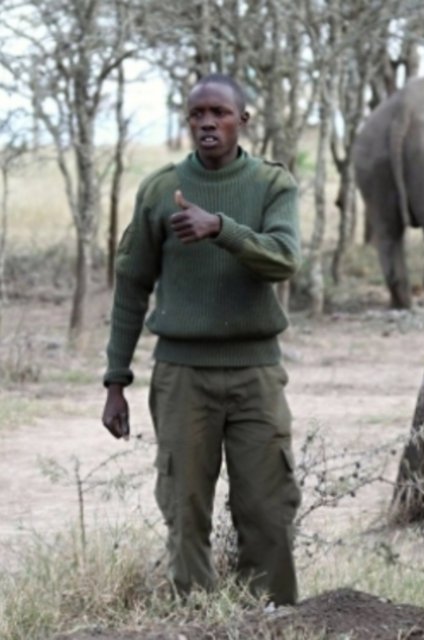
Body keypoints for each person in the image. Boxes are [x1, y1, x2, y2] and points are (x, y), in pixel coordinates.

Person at [100, 73, 302, 606]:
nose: (208, 123)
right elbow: (132, 286)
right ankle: (197, 618)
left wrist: (222, 229)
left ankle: (272, 615)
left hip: (256, 373)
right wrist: (115, 380)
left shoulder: (271, 185)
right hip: (181, 376)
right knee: (184, 509)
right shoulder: (161, 190)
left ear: (244, 120)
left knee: (267, 507)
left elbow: (284, 260)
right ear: (186, 121)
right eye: (197, 115)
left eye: (220, 113)